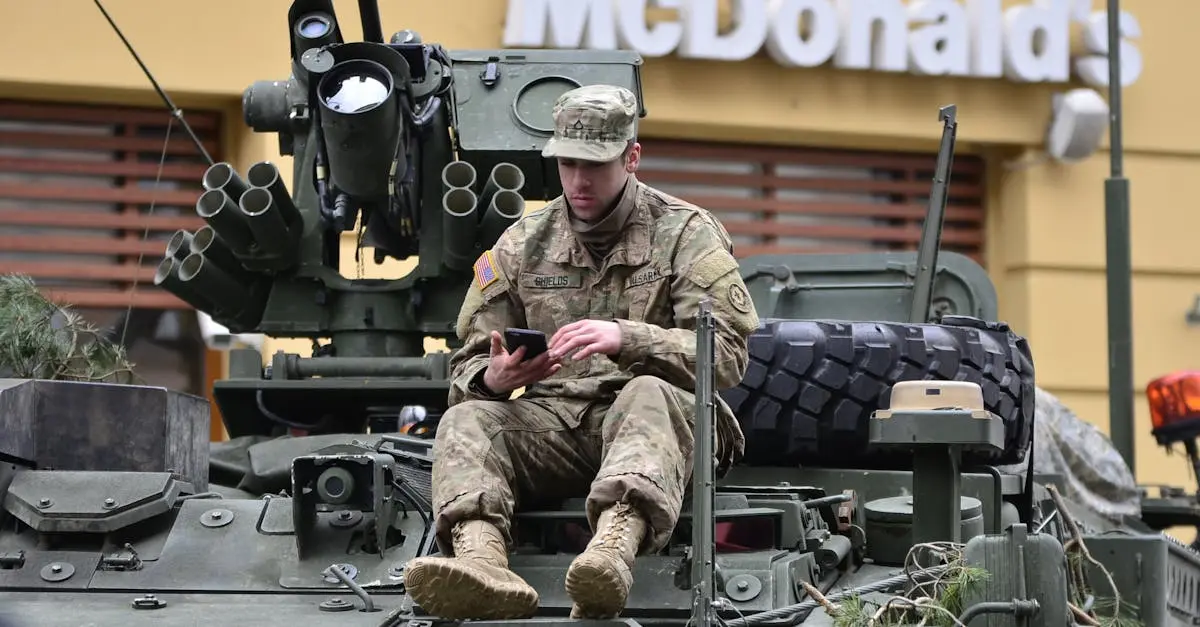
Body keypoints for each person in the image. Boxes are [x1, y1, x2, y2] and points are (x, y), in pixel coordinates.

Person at [402, 84, 760, 620]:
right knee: (466, 419)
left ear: (632, 157)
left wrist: (630, 338)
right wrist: (496, 378)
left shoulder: (686, 232)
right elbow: (469, 364)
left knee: (645, 391)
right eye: (567, 164)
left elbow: (728, 355)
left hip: (666, 430)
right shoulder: (522, 243)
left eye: (595, 164)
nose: (578, 180)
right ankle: (481, 562)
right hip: (555, 427)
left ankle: (613, 552)